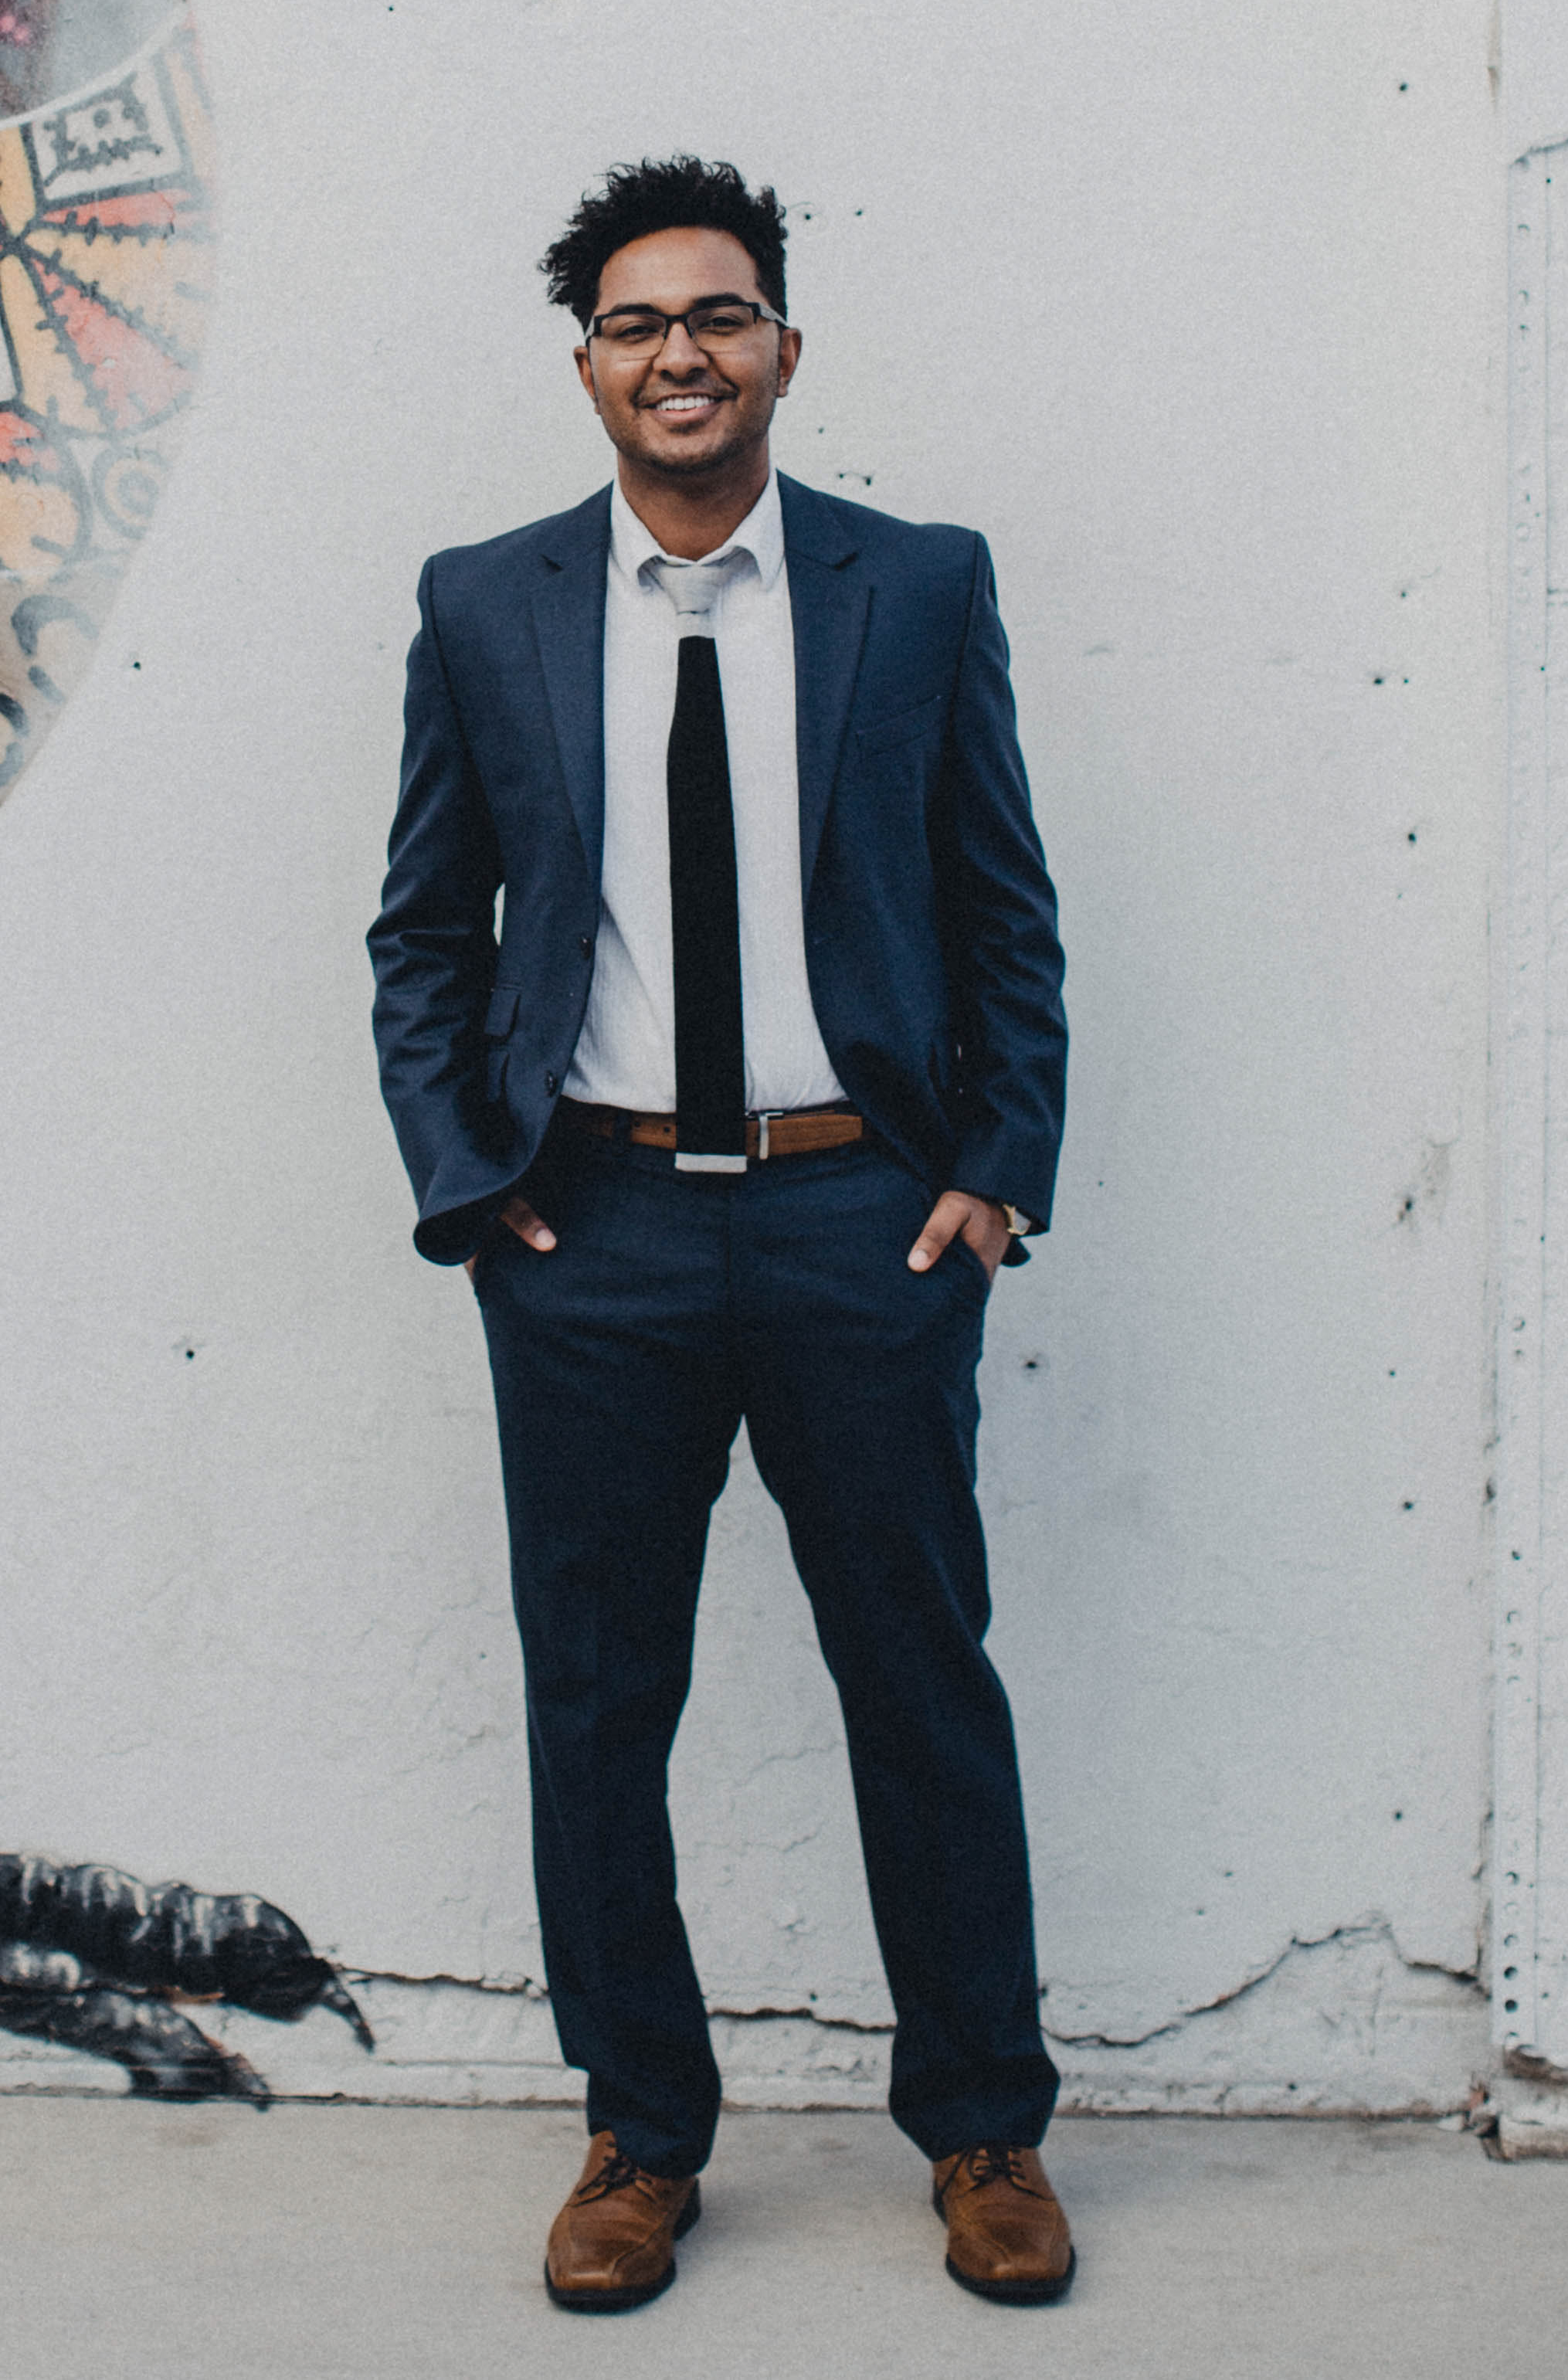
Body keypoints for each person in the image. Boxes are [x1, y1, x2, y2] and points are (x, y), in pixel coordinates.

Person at [368, 154, 1073, 2314]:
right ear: (587, 363)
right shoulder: (485, 604)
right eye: (637, 323)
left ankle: (985, 2125)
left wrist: (994, 1167)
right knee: (598, 1699)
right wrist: (473, 1183)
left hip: (866, 1213)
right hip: (589, 1234)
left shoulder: (914, 585)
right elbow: (423, 929)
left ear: (782, 345)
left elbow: (1002, 904)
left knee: (920, 1679)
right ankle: (638, 2134)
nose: (680, 352)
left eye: (719, 314)